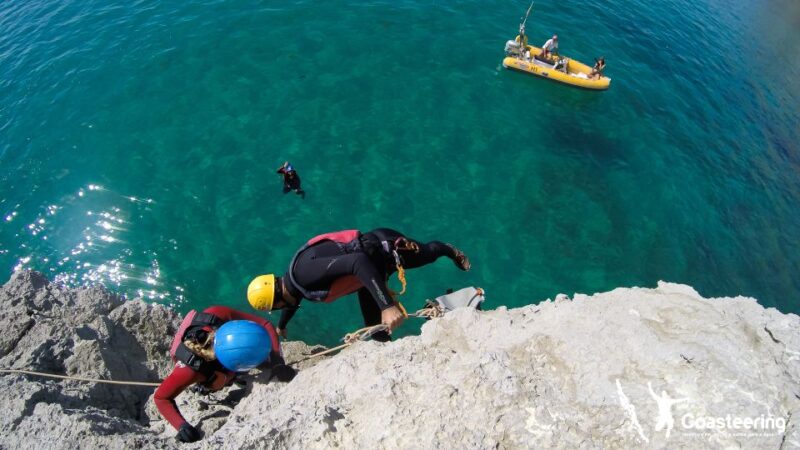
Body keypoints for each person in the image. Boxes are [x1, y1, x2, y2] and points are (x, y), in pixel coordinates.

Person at [247, 228, 471, 342]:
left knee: (429, 253)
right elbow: (290, 303)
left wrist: (387, 306)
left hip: (387, 249)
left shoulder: (305, 275)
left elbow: (358, 261)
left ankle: (448, 249)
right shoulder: (293, 283)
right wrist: (282, 325)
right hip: (368, 276)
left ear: (277, 301)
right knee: (376, 330)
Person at [154, 306, 295, 443]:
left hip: (218, 363)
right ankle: (212, 385)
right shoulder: (190, 371)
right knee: (218, 381)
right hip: (204, 369)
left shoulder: (219, 314)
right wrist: (182, 426)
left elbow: (265, 324)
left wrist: (277, 361)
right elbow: (161, 397)